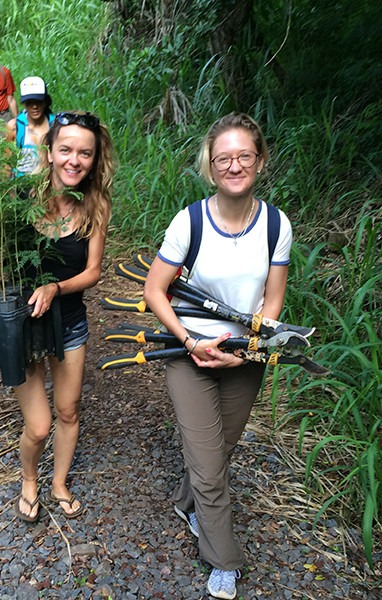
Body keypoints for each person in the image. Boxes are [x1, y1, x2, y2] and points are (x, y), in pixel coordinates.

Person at [142, 113, 292, 600]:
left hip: (244, 356)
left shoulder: (275, 225)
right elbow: (154, 290)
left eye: (244, 156)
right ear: (210, 166)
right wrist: (188, 341)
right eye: (223, 158)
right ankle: (224, 561)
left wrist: (249, 352)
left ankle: (186, 503)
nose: (234, 166)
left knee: (218, 452)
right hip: (188, 353)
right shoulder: (189, 222)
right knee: (210, 468)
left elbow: (273, 301)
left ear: (260, 161)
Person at [13, 112, 114, 523]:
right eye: (66, 149)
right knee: (39, 426)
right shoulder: (21, 198)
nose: (75, 160)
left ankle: (58, 483)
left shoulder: (96, 205)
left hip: (69, 323)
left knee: (68, 411)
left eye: (85, 153)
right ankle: (29, 479)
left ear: (94, 159)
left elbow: (93, 272)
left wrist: (56, 287)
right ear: (50, 152)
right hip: (22, 326)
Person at [5, 76, 54, 177]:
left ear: (45, 102)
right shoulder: (14, 127)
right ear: (23, 103)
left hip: (48, 181)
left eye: (38, 101)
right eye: (29, 103)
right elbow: (6, 162)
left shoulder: (55, 125)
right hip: (22, 183)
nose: (34, 106)